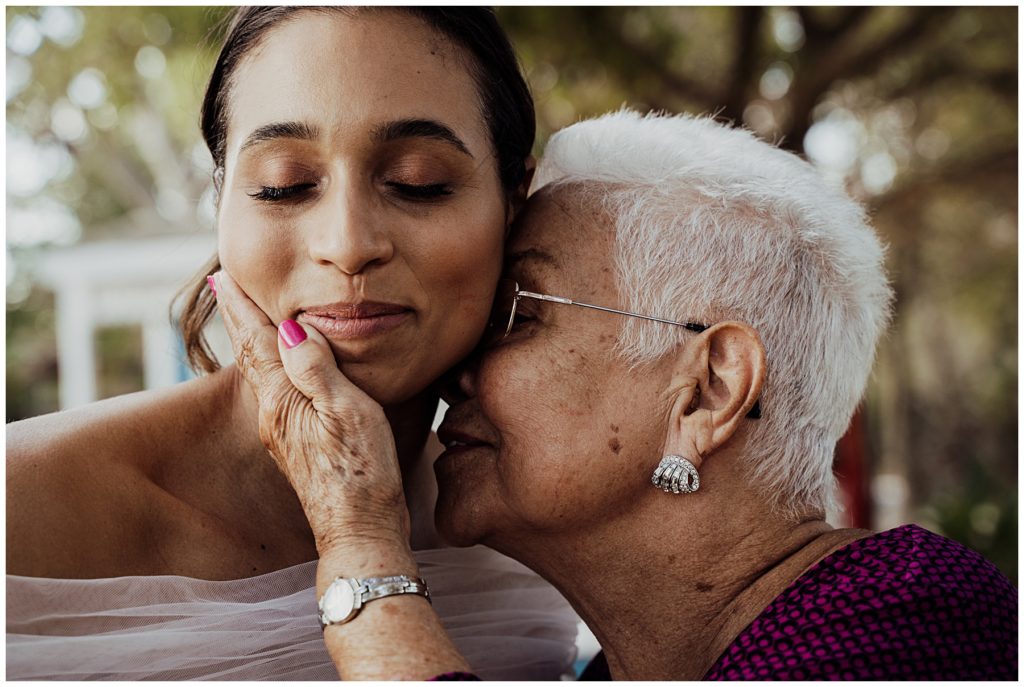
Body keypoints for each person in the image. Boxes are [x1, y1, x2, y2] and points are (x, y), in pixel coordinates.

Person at [216, 109, 1018, 680]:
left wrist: (361, 545)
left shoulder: (913, 622)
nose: (458, 363)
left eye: (514, 313)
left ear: (707, 391)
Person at [6, 8, 579, 680]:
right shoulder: (19, 511)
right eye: (283, 184)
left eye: (419, 182)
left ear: (514, 203)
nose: (348, 244)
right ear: (222, 202)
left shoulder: (532, 530)